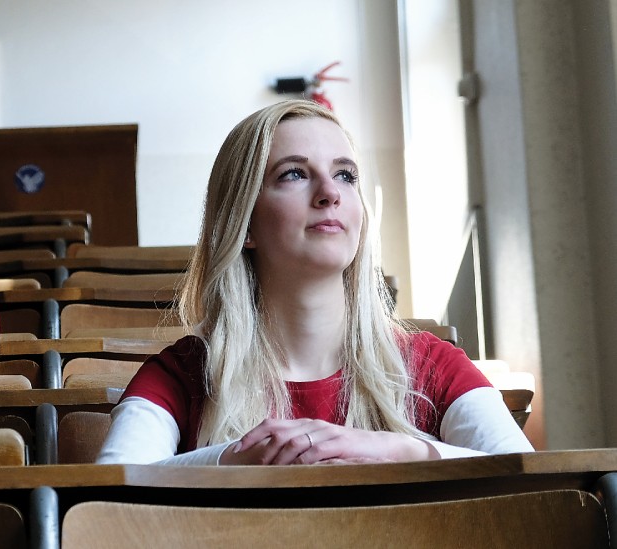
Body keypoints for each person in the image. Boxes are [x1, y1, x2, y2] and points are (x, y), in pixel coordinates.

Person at [97, 100, 533, 465]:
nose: (331, 192)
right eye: (294, 174)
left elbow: (531, 479)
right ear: (244, 223)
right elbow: (107, 498)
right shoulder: (184, 374)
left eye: (346, 174)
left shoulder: (431, 365)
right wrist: (228, 461)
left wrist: (404, 450)